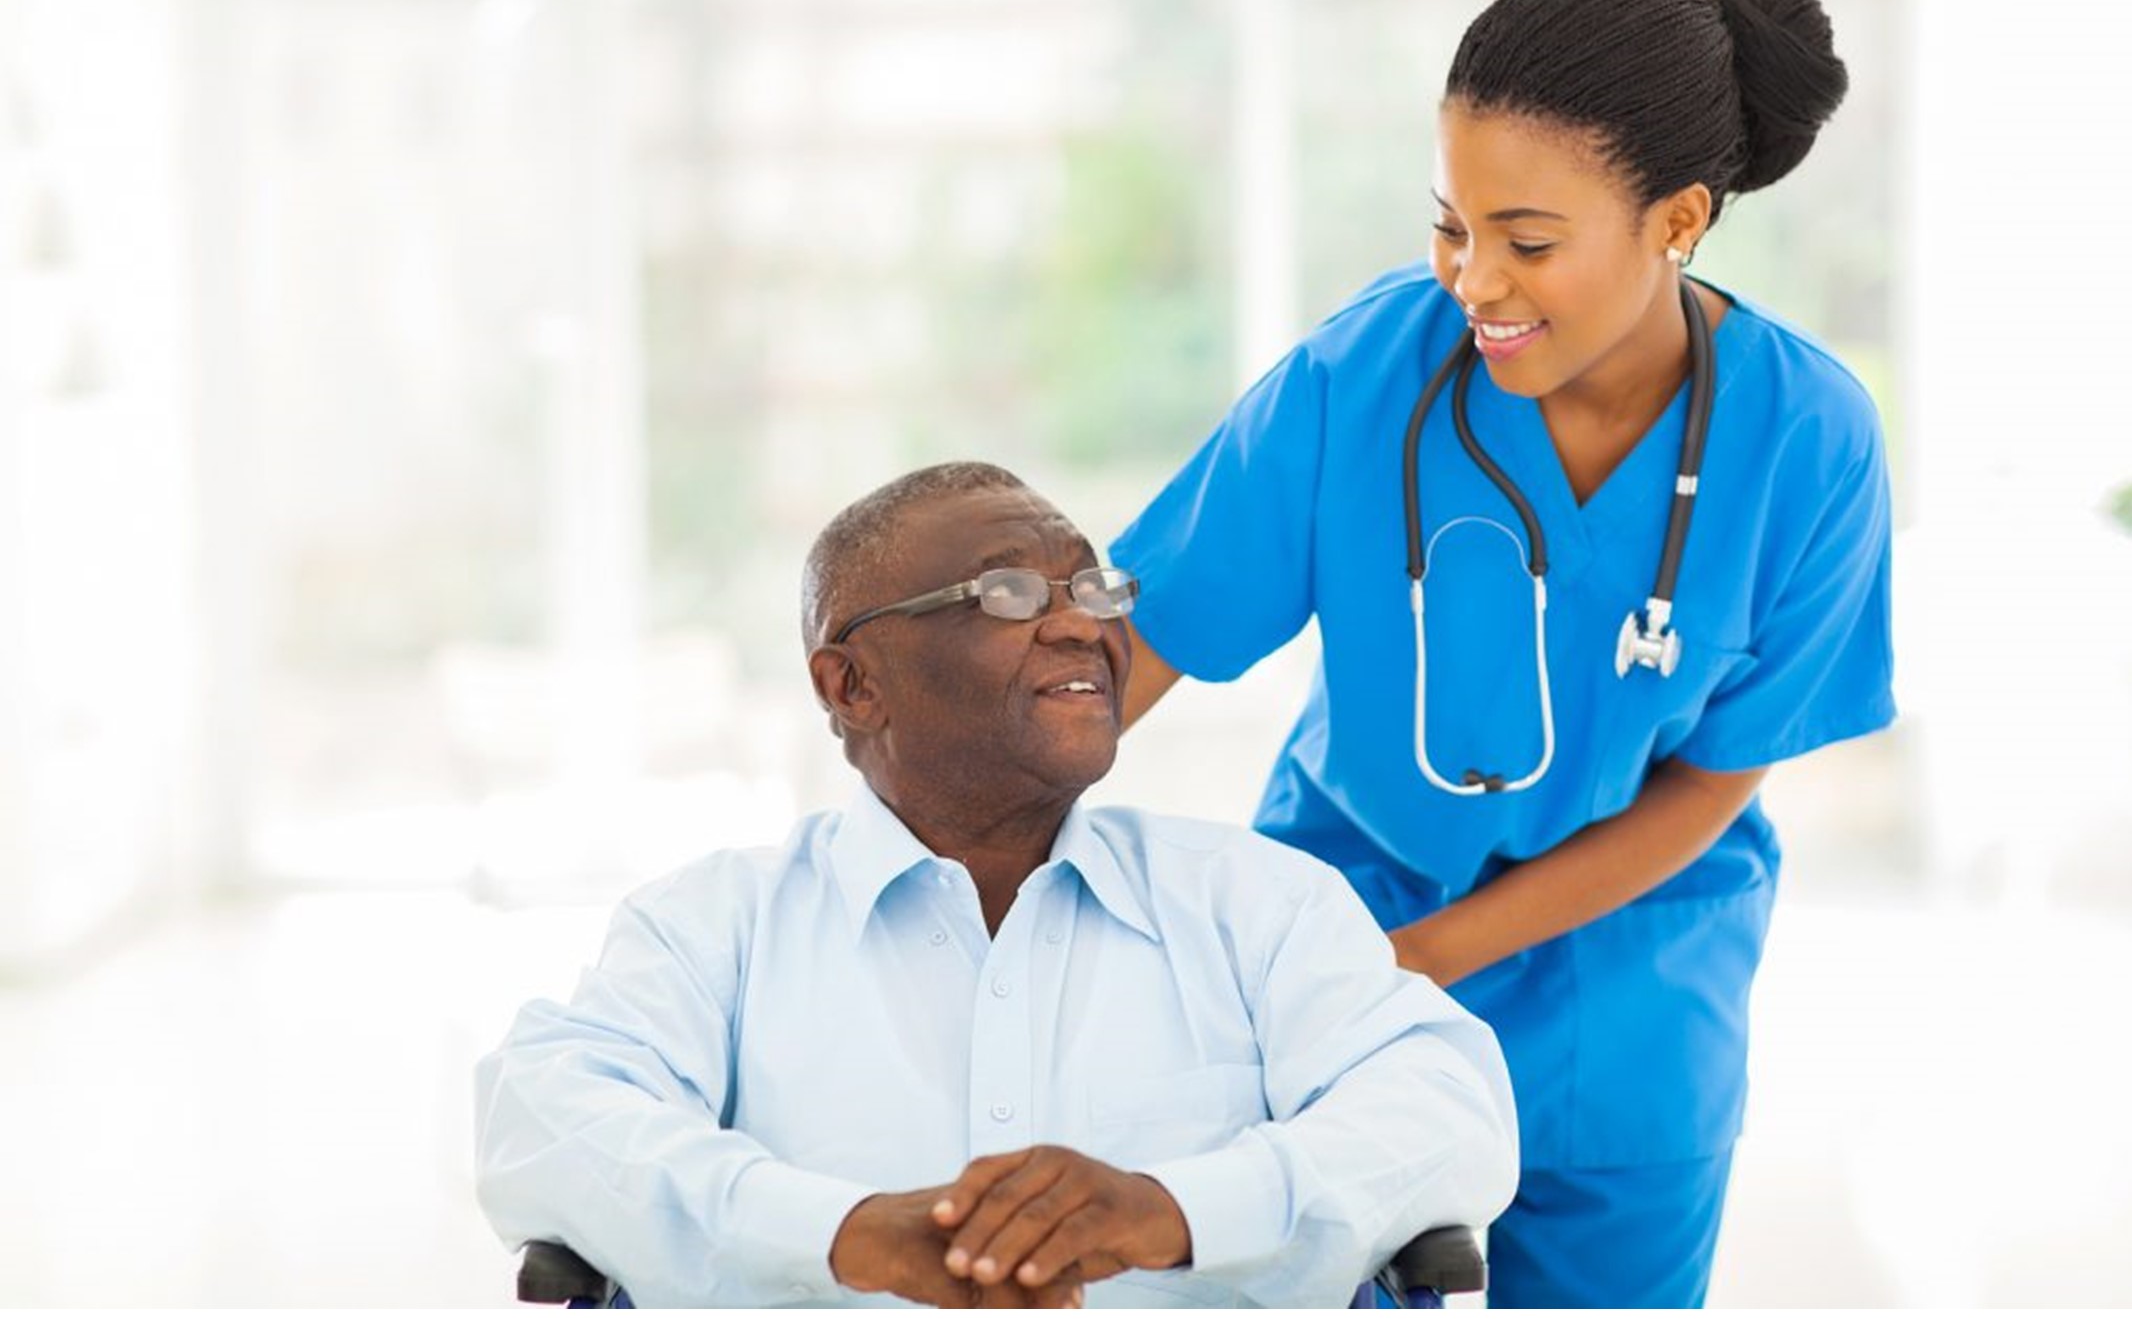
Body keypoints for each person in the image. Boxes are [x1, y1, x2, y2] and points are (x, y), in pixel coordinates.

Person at [1108, 0, 1894, 1308]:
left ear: (1679, 219)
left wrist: (1429, 958)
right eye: (1449, 226)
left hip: (1630, 986)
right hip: (1341, 948)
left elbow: (1712, 779)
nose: (1475, 281)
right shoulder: (1364, 376)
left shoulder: (1805, 439)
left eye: (1526, 242)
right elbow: (1139, 641)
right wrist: (953, 816)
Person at [474, 462, 1518, 1308]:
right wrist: (847, 1237)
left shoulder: (1258, 903)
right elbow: (547, 1118)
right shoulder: (711, 926)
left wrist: (1170, 1211)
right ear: (852, 684)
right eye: (1009, 592)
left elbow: (1445, 1110)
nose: (1082, 625)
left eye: (1095, 587)